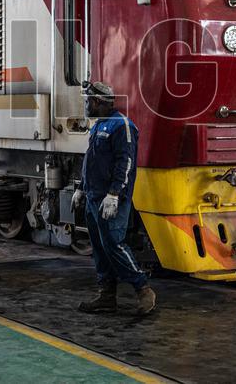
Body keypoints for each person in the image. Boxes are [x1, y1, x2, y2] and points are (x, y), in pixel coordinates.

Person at [72, 81, 156, 316]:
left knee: (114, 244)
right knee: (100, 248)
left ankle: (143, 290)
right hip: (93, 197)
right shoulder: (99, 126)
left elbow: (125, 163)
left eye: (88, 101)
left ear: (98, 102)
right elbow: (91, 161)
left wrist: (114, 194)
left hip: (110, 199)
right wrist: (81, 188)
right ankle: (106, 296)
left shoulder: (122, 126)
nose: (86, 106)